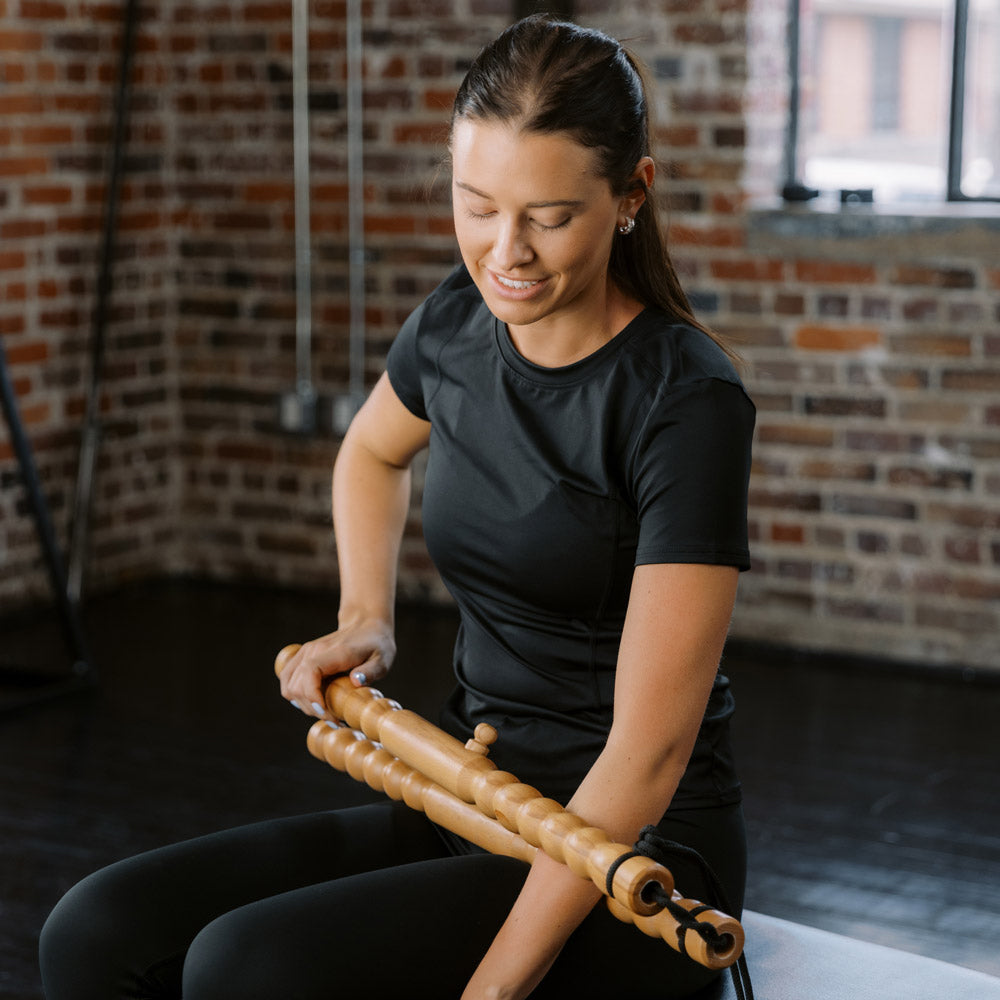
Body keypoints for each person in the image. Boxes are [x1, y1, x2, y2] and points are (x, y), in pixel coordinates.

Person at [40, 16, 754, 1000]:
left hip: (632, 858)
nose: (506, 251)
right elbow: (371, 451)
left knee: (246, 971)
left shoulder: (686, 400)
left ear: (630, 195)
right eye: (477, 206)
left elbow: (650, 752)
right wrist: (363, 616)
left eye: (548, 216)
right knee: (95, 929)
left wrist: (490, 991)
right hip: (473, 797)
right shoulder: (456, 326)